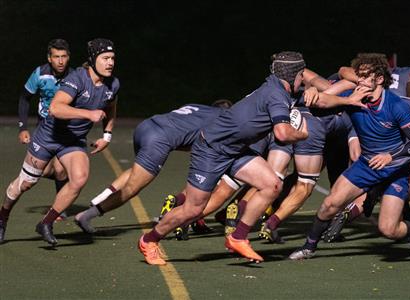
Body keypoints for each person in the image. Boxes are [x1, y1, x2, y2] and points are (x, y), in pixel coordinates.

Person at [138, 51, 309, 265]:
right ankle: (149, 240)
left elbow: (318, 93)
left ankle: (238, 238)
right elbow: (282, 134)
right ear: (292, 74)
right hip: (211, 149)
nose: (304, 80)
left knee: (272, 185)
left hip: (235, 150)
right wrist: (303, 133)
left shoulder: (278, 87)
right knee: (194, 209)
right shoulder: (277, 95)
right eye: (302, 75)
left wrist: (346, 98)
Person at [289, 53, 410, 263]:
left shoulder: (397, 106)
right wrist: (345, 99)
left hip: (394, 169)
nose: (360, 80)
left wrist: (390, 155)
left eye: (365, 76)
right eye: (359, 76)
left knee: (388, 229)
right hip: (366, 165)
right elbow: (321, 102)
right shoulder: (354, 94)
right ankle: (309, 247)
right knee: (330, 204)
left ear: (380, 79)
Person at [0, 38, 119, 245]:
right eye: (105, 58)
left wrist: (106, 135)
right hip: (49, 137)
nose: (110, 63)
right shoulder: (77, 79)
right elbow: (56, 108)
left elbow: (111, 107)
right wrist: (88, 114)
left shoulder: (113, 84)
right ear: (93, 59)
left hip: (73, 141)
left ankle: (45, 223)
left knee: (79, 178)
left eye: (112, 58)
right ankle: (2, 218)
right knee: (25, 184)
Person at [74, 101, 232, 234]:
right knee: (132, 188)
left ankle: (100, 198)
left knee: (137, 172)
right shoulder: (222, 120)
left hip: (146, 126)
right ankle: (87, 215)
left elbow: (183, 132)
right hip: (159, 139)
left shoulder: (197, 107)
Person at [18, 39, 73, 220]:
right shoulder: (40, 74)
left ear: (68, 57)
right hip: (44, 128)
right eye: (56, 57)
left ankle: (60, 207)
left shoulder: (74, 77)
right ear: (49, 58)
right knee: (37, 173)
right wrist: (23, 127)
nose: (60, 61)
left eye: (63, 56)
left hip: (65, 129)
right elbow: (25, 98)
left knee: (60, 169)